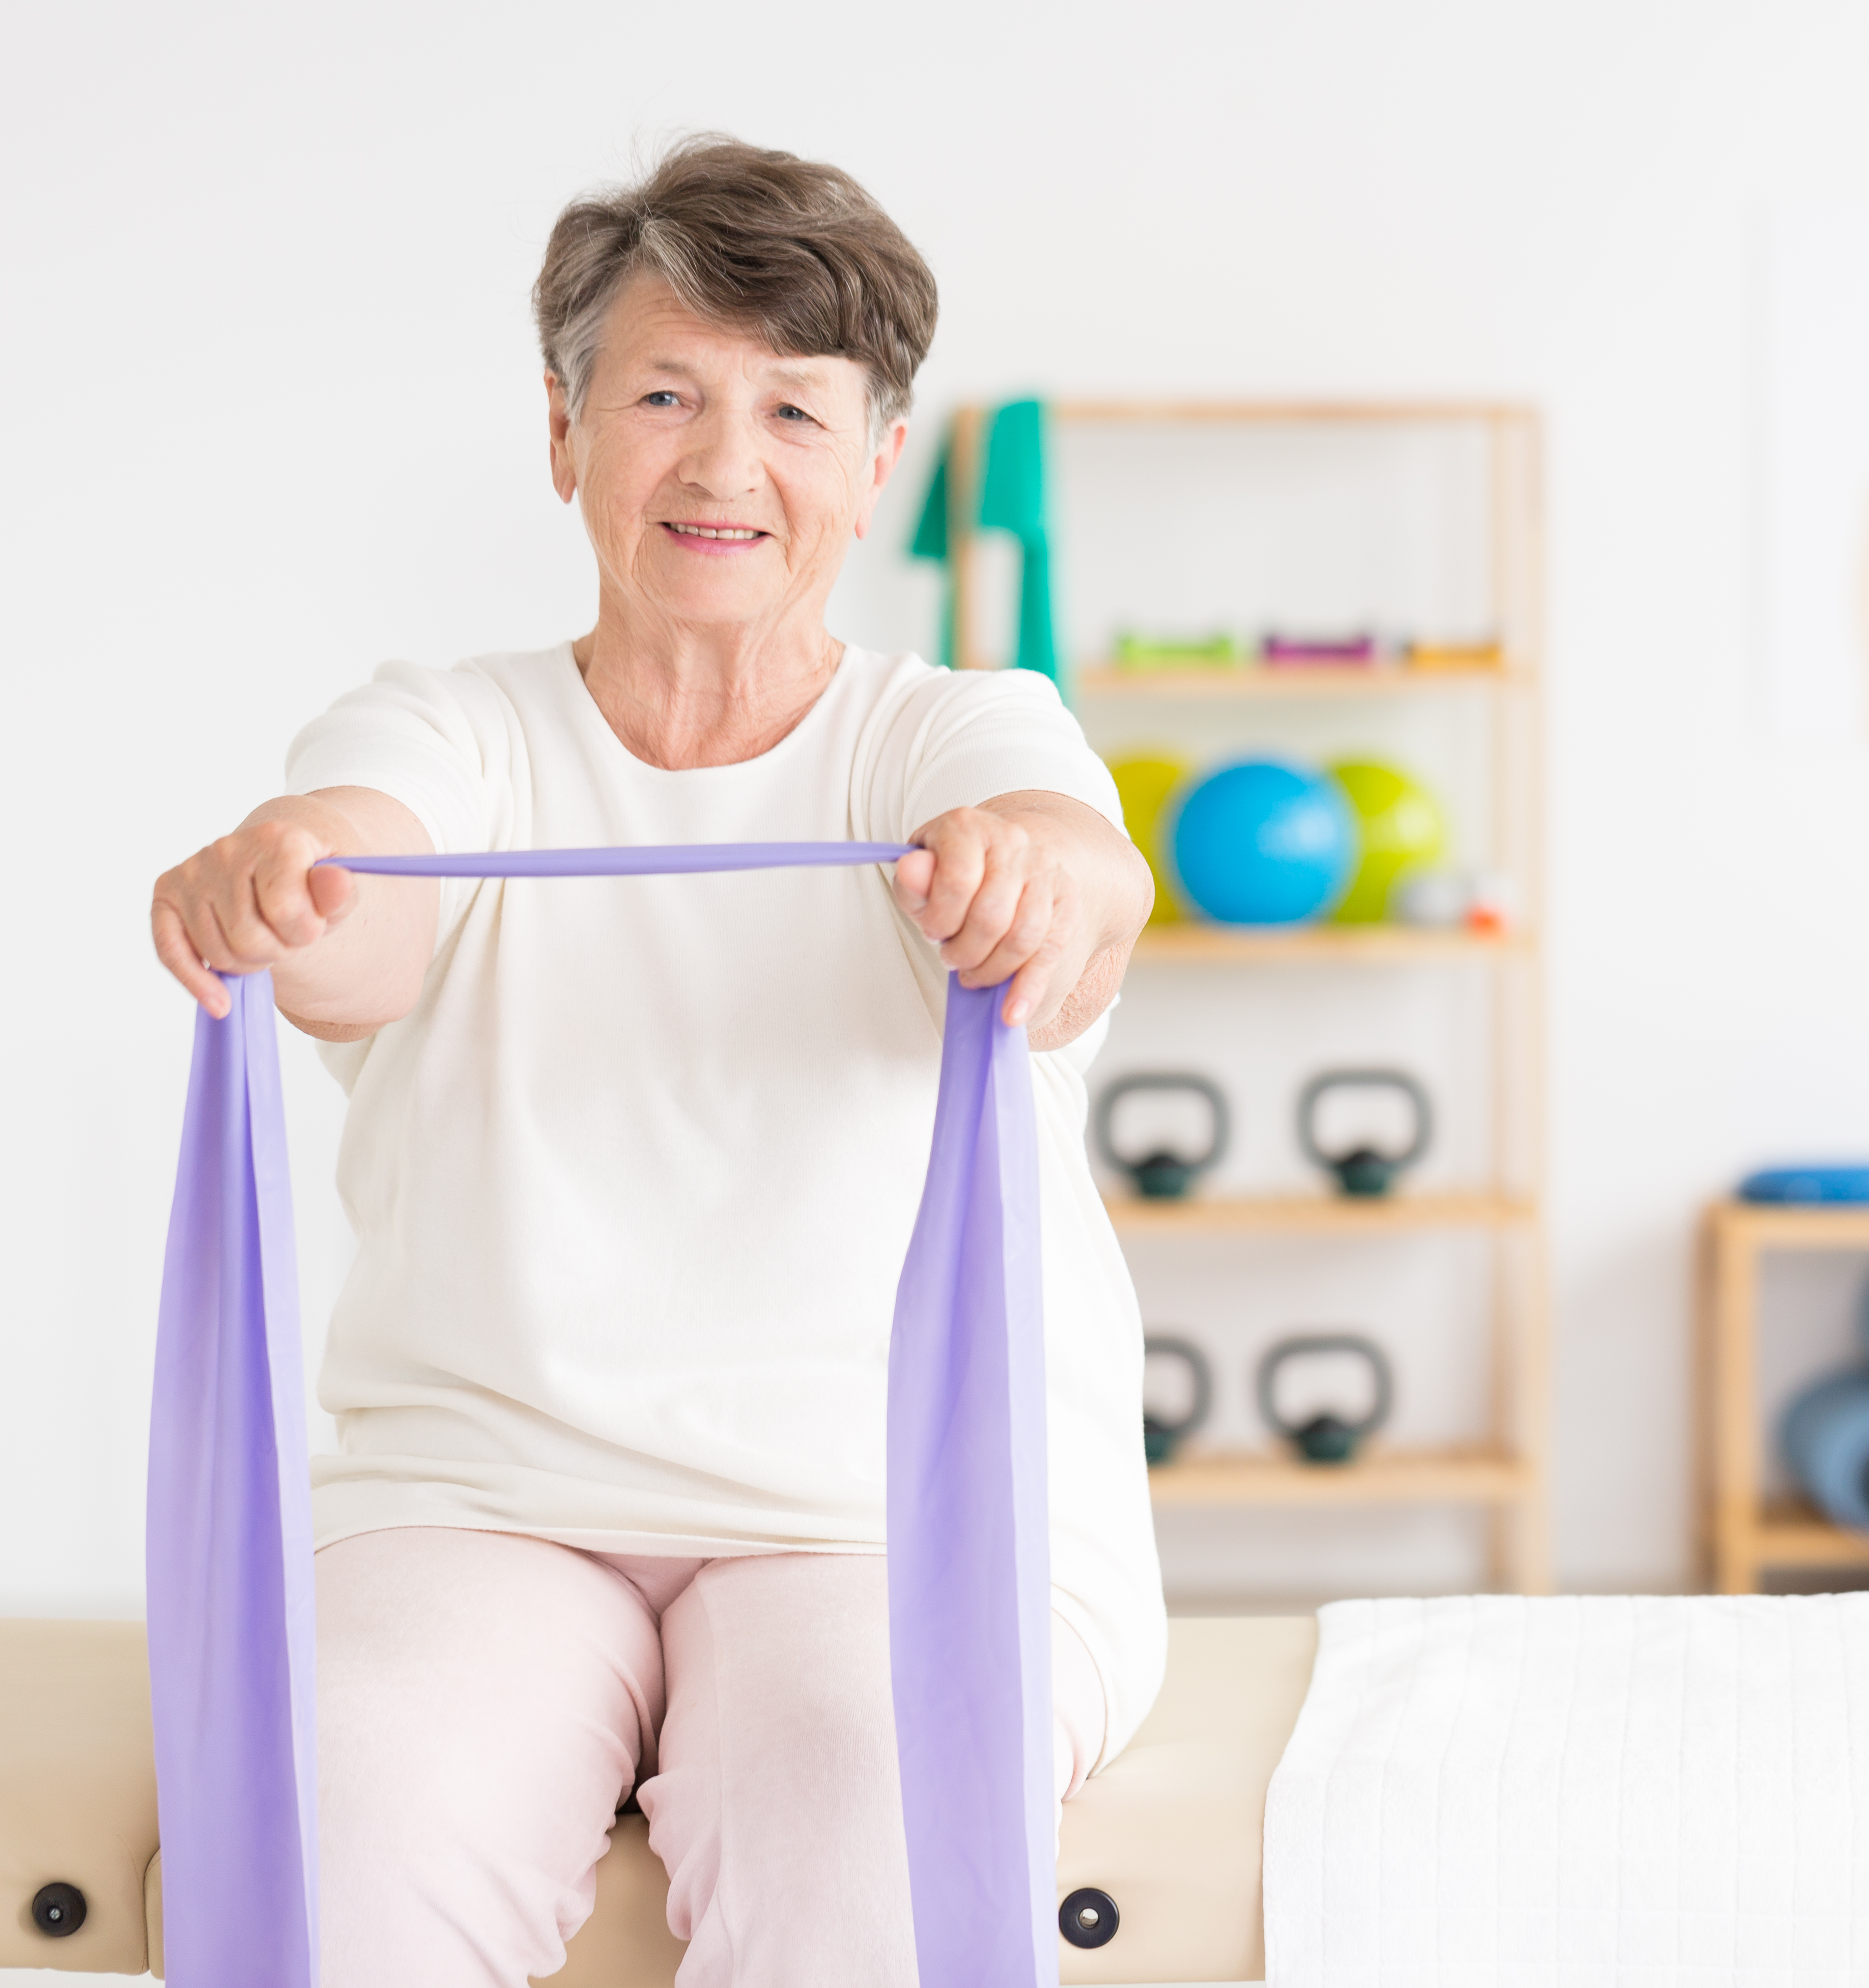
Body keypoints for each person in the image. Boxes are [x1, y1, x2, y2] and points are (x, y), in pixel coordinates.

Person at [145, 135, 1163, 1987]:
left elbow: (1074, 878)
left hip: (883, 1518)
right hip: (487, 1502)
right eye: (665, 395)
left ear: (874, 469)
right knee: (333, 1829)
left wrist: (1039, 881)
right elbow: (360, 909)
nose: (722, 462)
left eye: (793, 409)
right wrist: (286, 886)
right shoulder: (451, 729)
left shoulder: (956, 732)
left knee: (881, 1838)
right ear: (564, 433)